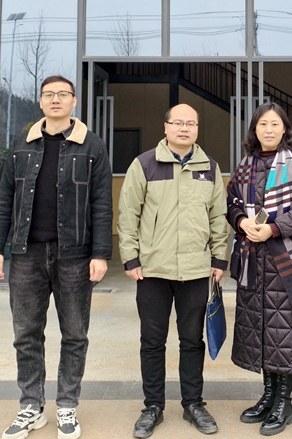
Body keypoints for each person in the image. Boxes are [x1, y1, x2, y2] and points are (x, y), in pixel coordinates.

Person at [0, 75, 113, 439]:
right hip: (26, 254)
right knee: (26, 333)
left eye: (63, 94)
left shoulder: (92, 145)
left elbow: (102, 204)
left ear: (74, 101)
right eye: (49, 94)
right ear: (40, 102)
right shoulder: (21, 144)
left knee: (74, 334)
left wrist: (100, 253)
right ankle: (31, 406)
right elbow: (5, 200)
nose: (56, 99)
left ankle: (67, 406)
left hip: (75, 255)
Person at [117, 104, 229, 439]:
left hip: (196, 270)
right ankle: (152, 406)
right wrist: (130, 258)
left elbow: (218, 217)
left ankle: (193, 403)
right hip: (153, 270)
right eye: (178, 122)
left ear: (197, 129)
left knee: (192, 340)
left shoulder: (209, 168)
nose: (184, 128)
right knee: (152, 341)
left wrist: (219, 259)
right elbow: (128, 215)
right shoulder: (144, 164)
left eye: (190, 123)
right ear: (165, 127)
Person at [227, 102, 292, 437]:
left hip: (288, 262)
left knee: (287, 332)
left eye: (274, 124)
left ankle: (285, 402)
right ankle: (268, 396)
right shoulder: (245, 165)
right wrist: (241, 222)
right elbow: (232, 203)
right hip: (253, 260)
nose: (268, 130)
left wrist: (273, 228)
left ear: (284, 128)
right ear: (254, 129)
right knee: (262, 330)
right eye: (262, 124)